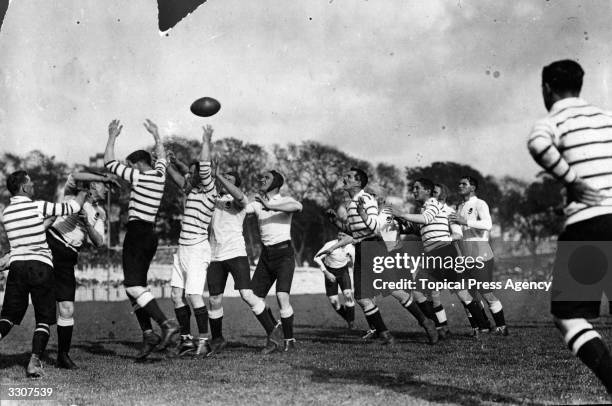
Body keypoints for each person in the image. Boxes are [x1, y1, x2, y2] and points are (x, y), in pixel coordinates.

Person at [527, 59, 612, 394]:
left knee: (569, 315)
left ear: (547, 88)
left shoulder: (554, 119)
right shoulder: (607, 119)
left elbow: (538, 145)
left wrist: (572, 180)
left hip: (588, 225)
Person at [104, 119, 179, 359]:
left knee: (134, 286)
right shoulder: (159, 174)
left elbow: (108, 162)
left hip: (137, 235)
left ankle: (165, 324)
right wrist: (157, 135)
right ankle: (148, 334)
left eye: (131, 165)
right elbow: (161, 157)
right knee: (133, 287)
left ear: (137, 164)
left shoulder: (139, 177)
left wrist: (112, 136)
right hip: (150, 235)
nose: (130, 169)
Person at [0, 170, 86, 377]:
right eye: (30, 184)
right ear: (23, 187)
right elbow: (73, 207)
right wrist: (83, 191)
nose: (33, 186)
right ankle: (34, 362)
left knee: (8, 317)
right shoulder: (37, 205)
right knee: (43, 319)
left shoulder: (7, 213)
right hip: (41, 267)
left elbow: (37, 227)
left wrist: (50, 217)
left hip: (18, 266)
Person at [397, 178, 491, 335]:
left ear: (440, 196)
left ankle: (484, 326)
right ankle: (439, 327)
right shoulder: (425, 209)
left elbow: (457, 234)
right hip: (431, 254)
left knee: (462, 293)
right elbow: (423, 229)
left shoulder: (437, 206)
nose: (434, 195)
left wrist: (402, 214)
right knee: (419, 292)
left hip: (444, 252)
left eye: (436, 192)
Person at [164, 126, 218, 357]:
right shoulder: (192, 191)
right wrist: (168, 164)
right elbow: (180, 178)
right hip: (183, 248)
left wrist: (206, 140)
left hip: (197, 249)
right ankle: (186, 340)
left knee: (194, 295)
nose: (191, 175)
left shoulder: (209, 190)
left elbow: (203, 168)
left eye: (194, 173)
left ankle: (204, 342)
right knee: (176, 295)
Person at [46, 173, 109, 369]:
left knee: (67, 309)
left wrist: (87, 223)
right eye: (103, 185)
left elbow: (99, 242)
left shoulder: (100, 212)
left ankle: (62, 357)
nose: (106, 189)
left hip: (68, 256)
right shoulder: (71, 195)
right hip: (49, 245)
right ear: (92, 186)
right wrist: (102, 177)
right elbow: (74, 175)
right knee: (23, 299)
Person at [326, 168, 394, 345]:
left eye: (348, 177)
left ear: (358, 182)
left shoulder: (365, 199)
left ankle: (428, 324)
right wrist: (336, 222)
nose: (344, 178)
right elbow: (354, 231)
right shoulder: (351, 202)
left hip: (374, 247)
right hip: (363, 248)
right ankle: (384, 333)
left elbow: (374, 228)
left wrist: (363, 217)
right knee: (364, 296)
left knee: (394, 291)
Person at [245, 170, 303, 354]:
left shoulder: (284, 201)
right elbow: (242, 208)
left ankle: (289, 340)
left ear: (276, 184)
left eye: (266, 178)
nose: (261, 179)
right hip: (266, 255)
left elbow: (297, 206)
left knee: (281, 296)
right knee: (253, 297)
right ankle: (274, 332)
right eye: (261, 177)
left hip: (284, 253)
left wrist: (270, 206)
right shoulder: (256, 204)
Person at [206, 165, 261, 355]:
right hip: (214, 256)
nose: (223, 181)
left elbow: (239, 197)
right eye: (223, 178)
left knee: (246, 294)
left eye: (229, 179)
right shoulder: (213, 199)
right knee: (214, 299)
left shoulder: (237, 201)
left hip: (236, 253)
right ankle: (218, 339)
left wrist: (220, 176)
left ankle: (274, 330)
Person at [451, 176, 508, 336]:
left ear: (473, 187)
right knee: (464, 292)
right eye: (459, 183)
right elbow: (458, 232)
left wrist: (465, 222)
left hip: (481, 253)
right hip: (465, 254)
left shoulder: (479, 203)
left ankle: (502, 327)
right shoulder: (460, 206)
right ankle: (482, 326)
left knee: (486, 293)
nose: (460, 185)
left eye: (464, 184)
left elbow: (488, 225)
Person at [313, 232, 356, 328]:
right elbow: (316, 258)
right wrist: (327, 273)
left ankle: (351, 323)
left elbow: (354, 263)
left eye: (343, 235)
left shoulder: (351, 248)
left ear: (348, 237)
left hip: (343, 272)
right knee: (334, 302)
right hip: (330, 272)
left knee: (348, 295)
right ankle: (348, 318)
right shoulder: (329, 245)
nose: (341, 237)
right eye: (339, 235)